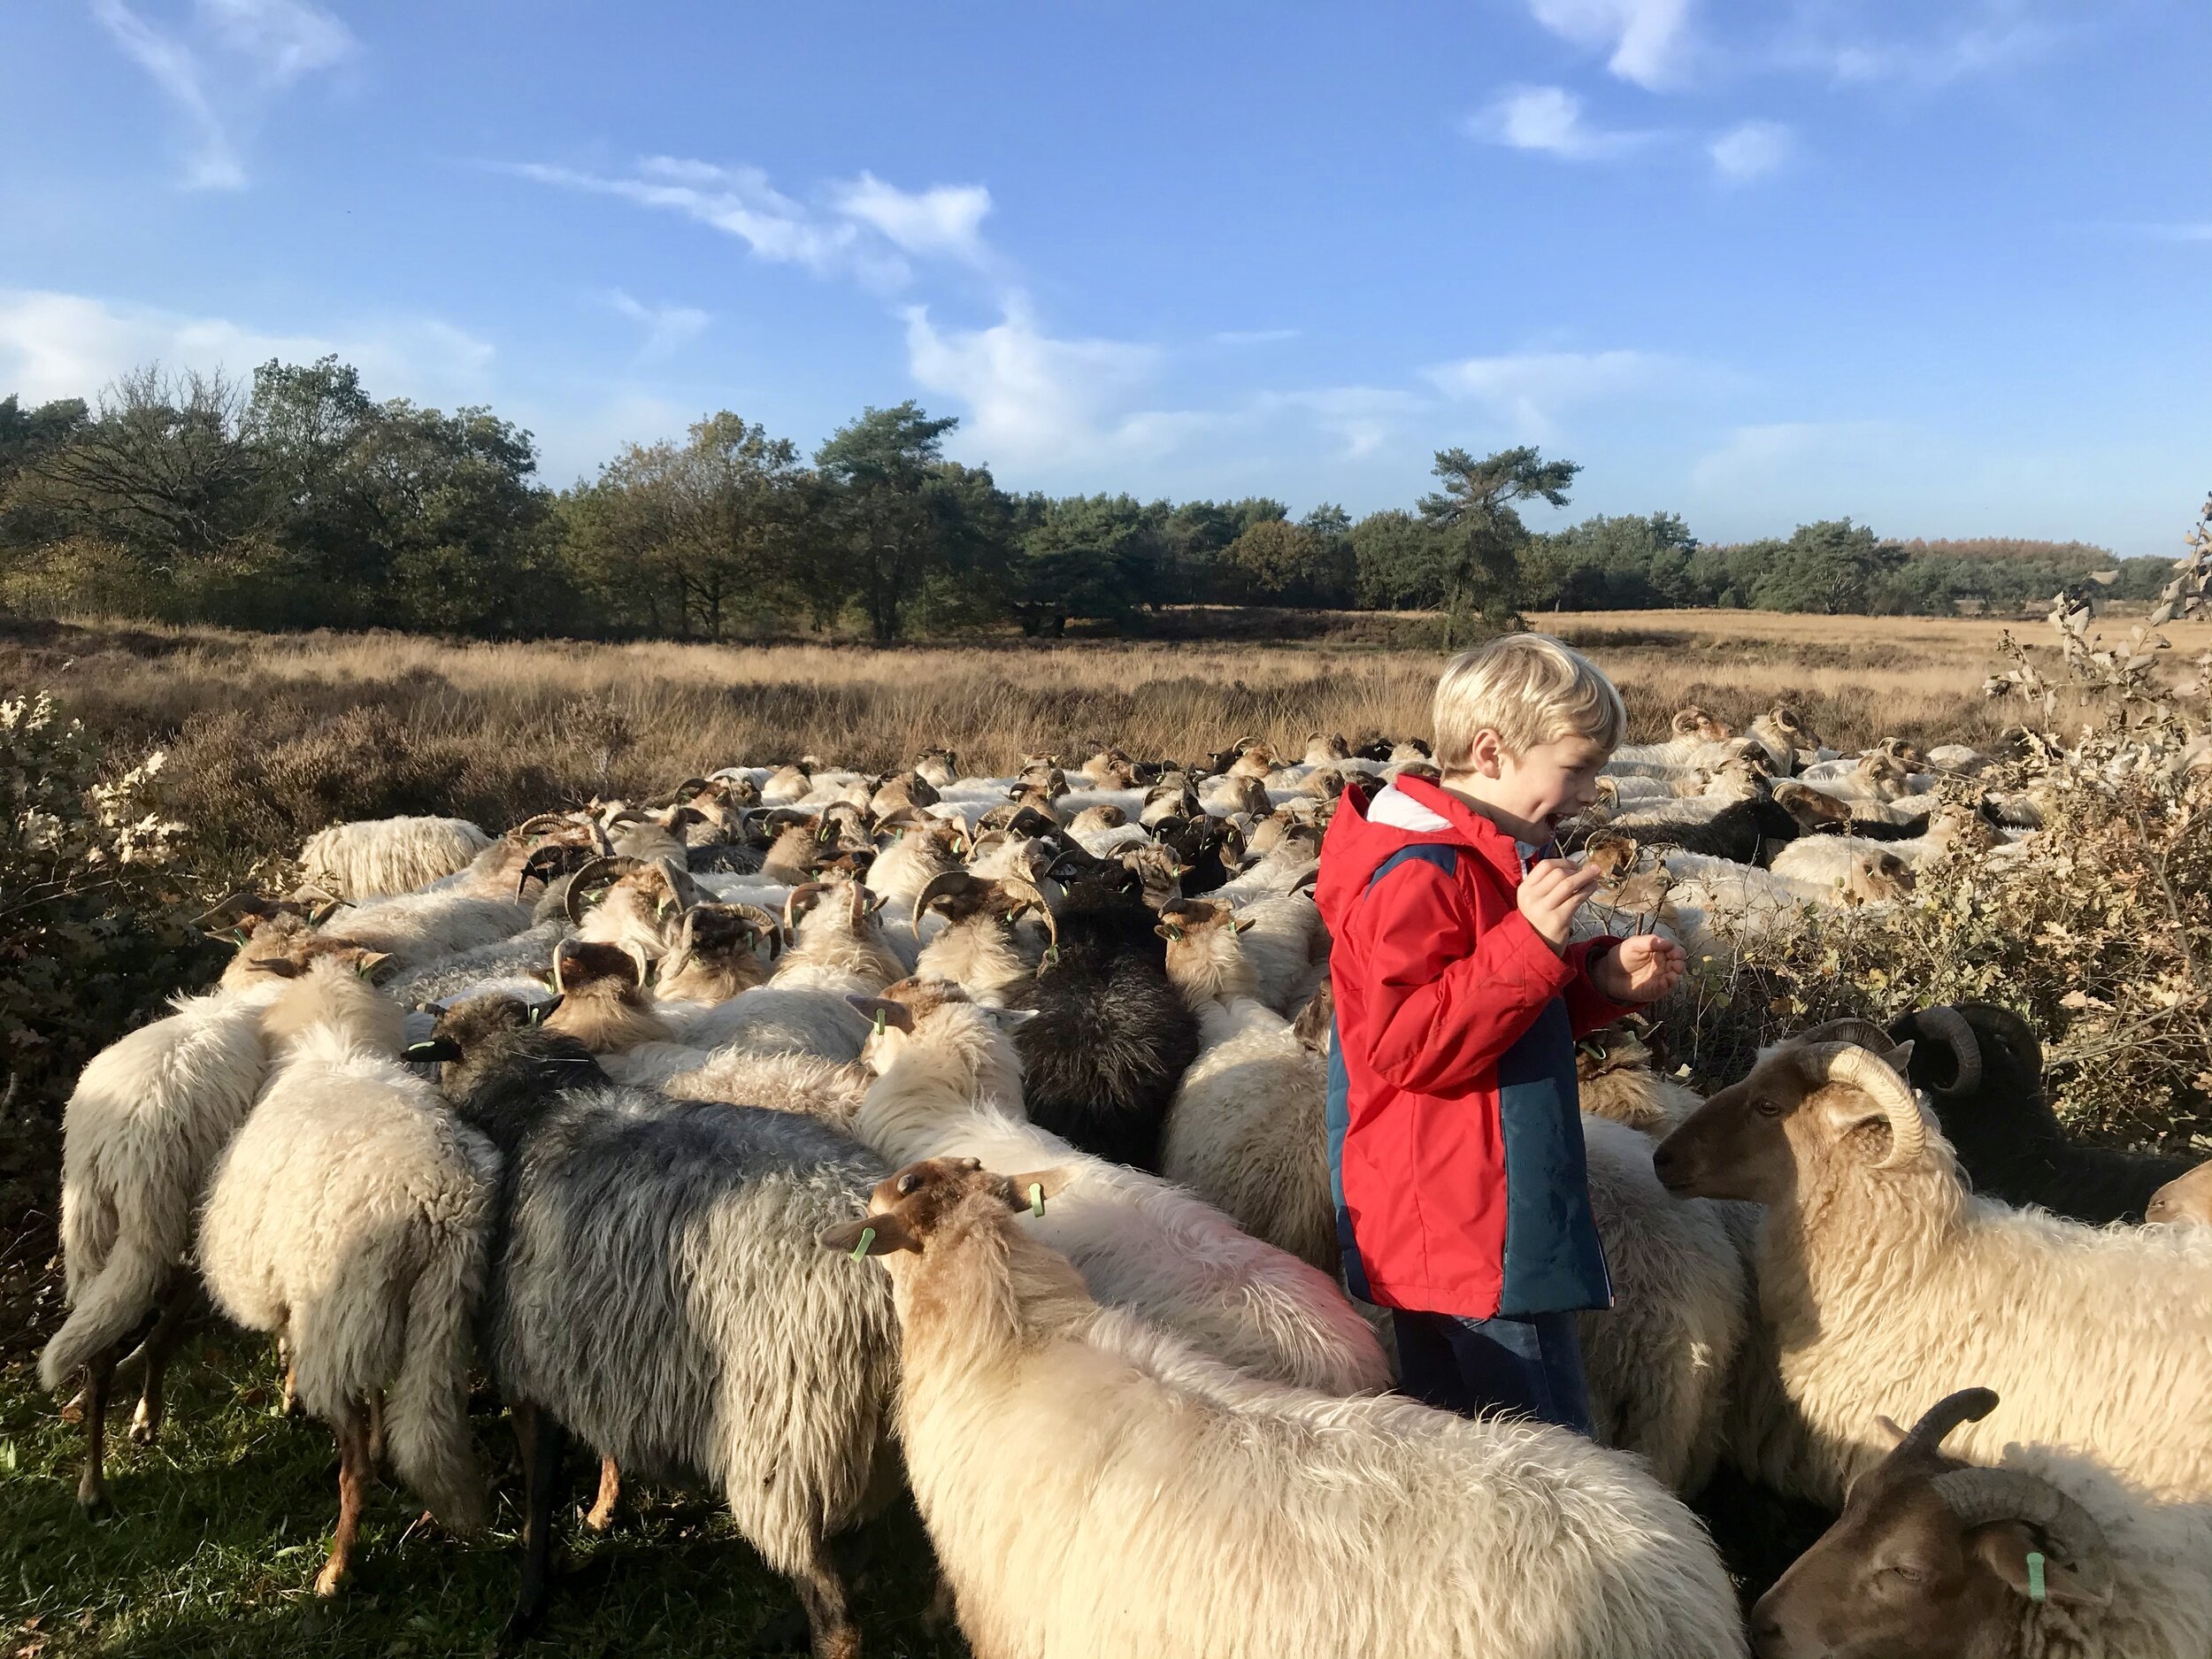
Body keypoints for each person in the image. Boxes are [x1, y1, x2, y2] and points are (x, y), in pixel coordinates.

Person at [1311, 633, 1685, 1432]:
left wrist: (1594, 979)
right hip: (1463, 1229)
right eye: (1576, 767)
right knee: (1546, 1464)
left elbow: (1497, 1023)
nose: (1589, 793)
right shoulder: (1420, 872)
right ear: (1492, 751)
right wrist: (1530, 943)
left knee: (1472, 1462)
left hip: (1478, 1214)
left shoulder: (1487, 860)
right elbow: (1408, 1044)